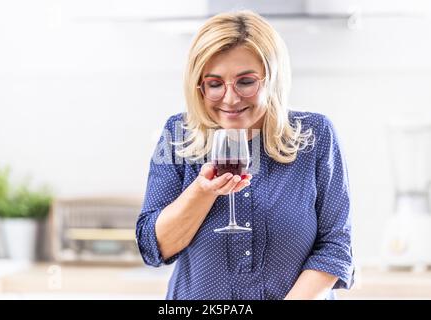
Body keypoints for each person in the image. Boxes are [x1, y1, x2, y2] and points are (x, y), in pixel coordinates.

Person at [136, 10, 354, 300]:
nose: (230, 98)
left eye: (246, 81)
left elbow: (335, 246)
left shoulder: (315, 135)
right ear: (198, 87)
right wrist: (202, 192)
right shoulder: (178, 134)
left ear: (272, 79)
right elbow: (154, 247)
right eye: (214, 84)